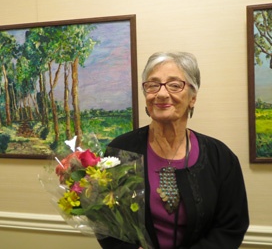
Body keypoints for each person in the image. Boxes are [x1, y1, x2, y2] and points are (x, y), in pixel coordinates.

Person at [97, 51, 249, 249]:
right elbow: (105, 221)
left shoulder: (220, 157)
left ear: (192, 97)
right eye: (153, 85)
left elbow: (230, 227)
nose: (161, 93)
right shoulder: (120, 151)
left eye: (175, 85)